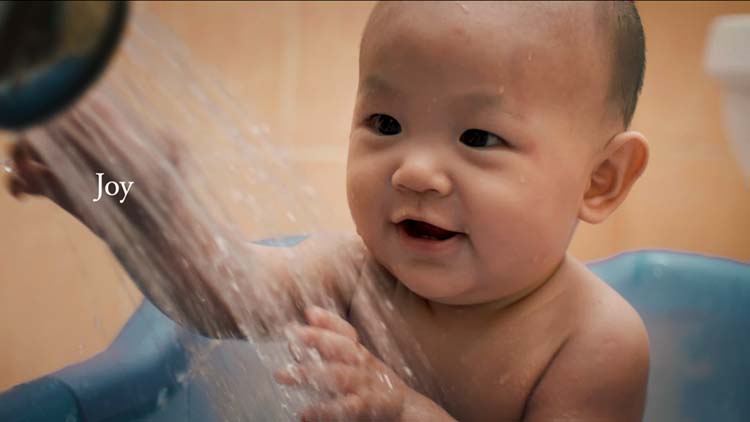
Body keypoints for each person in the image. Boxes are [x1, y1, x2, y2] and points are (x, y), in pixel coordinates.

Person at [8, 1, 651, 421]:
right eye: (385, 121)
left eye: (479, 138)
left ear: (599, 180)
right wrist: (121, 198)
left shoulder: (593, 341)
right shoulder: (353, 274)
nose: (414, 170)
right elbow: (216, 294)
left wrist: (402, 412)